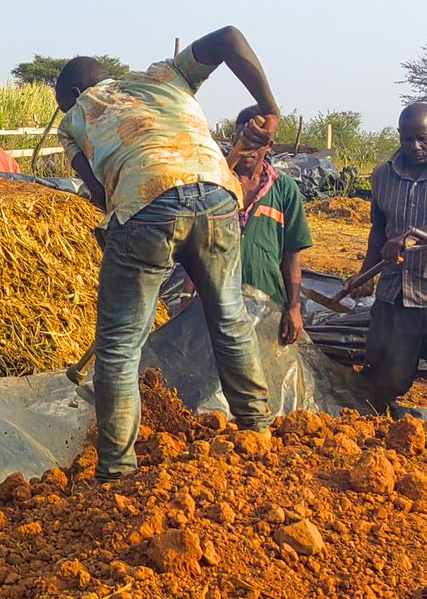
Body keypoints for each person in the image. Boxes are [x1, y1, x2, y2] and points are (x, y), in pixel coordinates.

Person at [56, 26, 280, 482]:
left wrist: (129, 232)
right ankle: (257, 429)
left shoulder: (73, 120)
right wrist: (271, 110)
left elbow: (103, 194)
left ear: (75, 93)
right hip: (218, 194)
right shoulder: (164, 75)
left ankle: (117, 472)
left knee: (119, 347)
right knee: (231, 317)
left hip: (145, 204)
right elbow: (231, 38)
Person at [179, 105, 313, 344]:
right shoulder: (215, 186)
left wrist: (294, 306)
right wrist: (186, 294)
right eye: (243, 140)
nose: (248, 149)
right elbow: (196, 245)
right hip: (214, 303)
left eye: (257, 143)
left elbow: (292, 254)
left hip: (268, 304)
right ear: (233, 140)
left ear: (269, 146)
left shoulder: (284, 190)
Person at [355, 103, 427, 412]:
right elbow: (379, 230)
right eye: (407, 139)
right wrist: (365, 274)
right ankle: (374, 433)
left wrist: (410, 237)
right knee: (384, 371)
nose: (415, 147)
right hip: (394, 288)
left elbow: (402, 236)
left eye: (423, 138)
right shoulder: (383, 175)